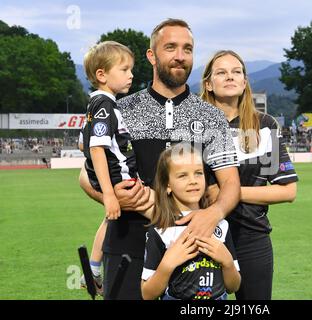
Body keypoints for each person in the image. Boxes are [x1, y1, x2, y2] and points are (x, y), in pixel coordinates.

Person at [79, 19, 240, 300]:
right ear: (152, 55)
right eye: (171, 47)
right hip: (125, 246)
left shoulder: (211, 116)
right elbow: (85, 175)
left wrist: (211, 216)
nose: (180, 56)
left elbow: (231, 186)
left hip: (190, 249)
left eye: (187, 49)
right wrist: (115, 196)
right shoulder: (121, 108)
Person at [200, 50, 298, 300]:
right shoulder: (194, 127)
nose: (230, 77)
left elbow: (287, 190)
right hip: (203, 235)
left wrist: (230, 193)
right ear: (209, 84)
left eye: (236, 72)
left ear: (244, 82)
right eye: (221, 72)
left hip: (251, 238)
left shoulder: (264, 126)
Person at [78, 41, 153, 295]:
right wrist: (109, 193)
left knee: (109, 222)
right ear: (102, 74)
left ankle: (94, 269)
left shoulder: (97, 105)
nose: (131, 75)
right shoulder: (105, 106)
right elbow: (96, 149)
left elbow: (83, 143)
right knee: (163, 214)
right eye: (124, 69)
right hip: (122, 181)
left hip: (117, 179)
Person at [141, 144, 241, 300]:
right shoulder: (161, 230)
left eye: (198, 173)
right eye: (182, 175)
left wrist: (227, 262)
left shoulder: (221, 225)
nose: (193, 181)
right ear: (167, 184)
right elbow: (147, 294)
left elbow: (233, 286)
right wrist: (167, 265)